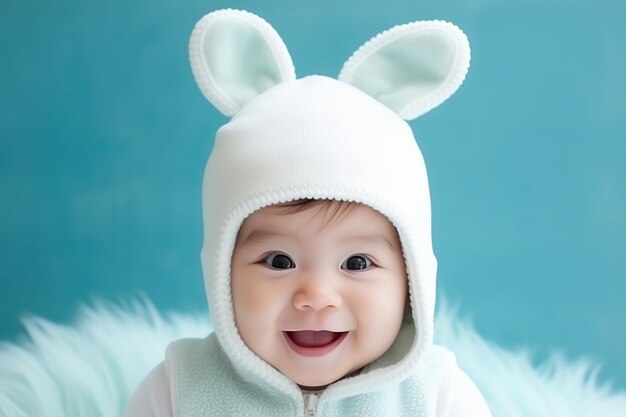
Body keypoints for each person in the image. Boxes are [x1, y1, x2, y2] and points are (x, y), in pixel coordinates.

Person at [124, 9, 492, 416]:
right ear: (221, 272)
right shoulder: (177, 389)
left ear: (411, 280)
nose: (315, 297)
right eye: (279, 261)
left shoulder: (436, 395)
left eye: (357, 262)